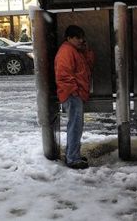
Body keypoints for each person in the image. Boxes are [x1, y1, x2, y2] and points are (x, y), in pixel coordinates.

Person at [54, 25, 95, 169]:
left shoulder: (75, 51)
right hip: (72, 95)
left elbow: (88, 65)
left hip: (74, 94)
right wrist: (74, 91)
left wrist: (86, 50)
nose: (80, 40)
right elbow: (63, 74)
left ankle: (73, 155)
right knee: (75, 127)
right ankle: (72, 158)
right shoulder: (67, 51)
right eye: (77, 37)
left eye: (81, 37)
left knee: (76, 126)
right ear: (69, 38)